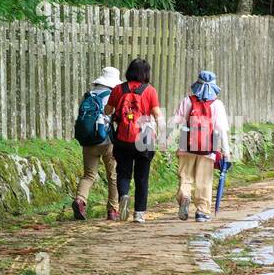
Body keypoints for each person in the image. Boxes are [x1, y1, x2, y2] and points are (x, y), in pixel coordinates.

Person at [109, 58, 164, 224]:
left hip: (123, 138)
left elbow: (108, 110)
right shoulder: (150, 91)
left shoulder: (119, 89)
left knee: (123, 173)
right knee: (142, 176)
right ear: (146, 73)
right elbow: (157, 115)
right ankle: (139, 213)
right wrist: (162, 135)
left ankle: (124, 195)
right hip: (145, 138)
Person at [171, 70, 230, 222]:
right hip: (209, 147)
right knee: (204, 181)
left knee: (185, 177)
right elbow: (221, 130)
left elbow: (175, 122)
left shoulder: (187, 101)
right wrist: (226, 152)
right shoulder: (217, 105)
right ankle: (202, 211)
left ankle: (184, 196)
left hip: (186, 145)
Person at [73, 66, 122, 220]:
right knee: (113, 176)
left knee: (88, 175)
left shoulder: (88, 95)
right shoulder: (112, 95)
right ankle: (113, 210)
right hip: (107, 142)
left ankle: (80, 199)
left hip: (88, 142)